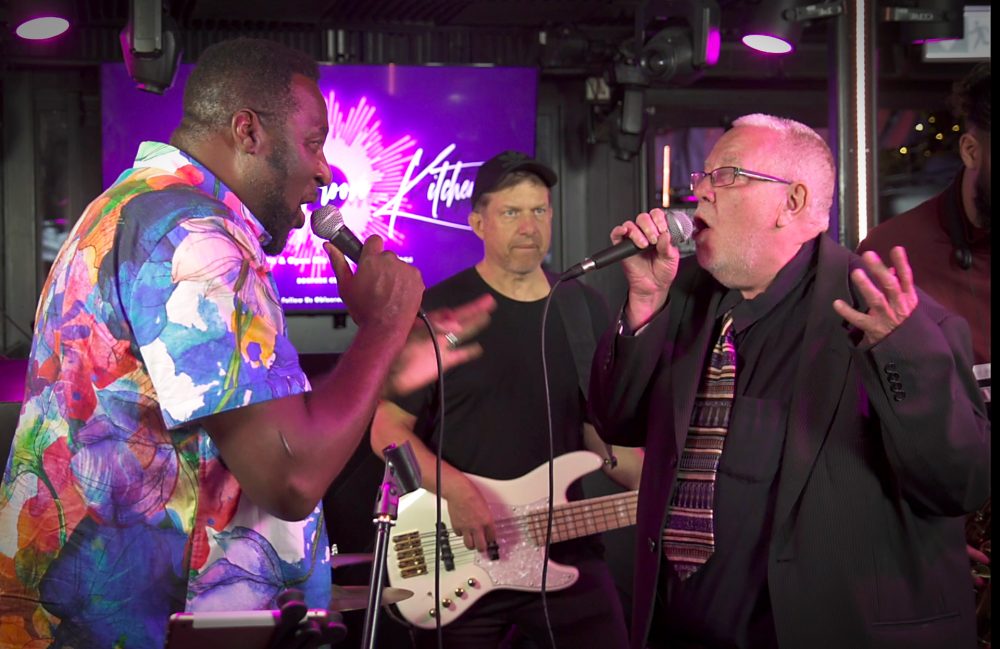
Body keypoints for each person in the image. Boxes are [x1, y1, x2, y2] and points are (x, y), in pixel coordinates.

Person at [0, 38, 492, 649]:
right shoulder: (193, 239)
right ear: (248, 132)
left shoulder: (143, 206)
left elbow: (230, 429)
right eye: (314, 143)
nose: (325, 171)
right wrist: (385, 326)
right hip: (134, 627)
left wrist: (383, 365)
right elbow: (290, 477)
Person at [589, 113, 990, 649]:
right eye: (701, 179)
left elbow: (958, 485)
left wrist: (903, 354)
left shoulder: (889, 318)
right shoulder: (681, 300)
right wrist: (642, 303)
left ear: (793, 203)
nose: (700, 194)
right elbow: (617, 421)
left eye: (725, 176)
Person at [370, 151, 642, 648]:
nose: (528, 226)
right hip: (460, 553)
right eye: (511, 213)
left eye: (539, 211)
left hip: (566, 549)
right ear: (478, 222)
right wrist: (458, 492)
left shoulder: (583, 306)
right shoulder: (438, 311)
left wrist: (665, 480)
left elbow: (592, 432)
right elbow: (386, 429)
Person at [859, 61, 991, 643]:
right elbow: (855, 427)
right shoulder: (891, 254)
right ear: (970, 149)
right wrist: (915, 534)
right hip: (948, 551)